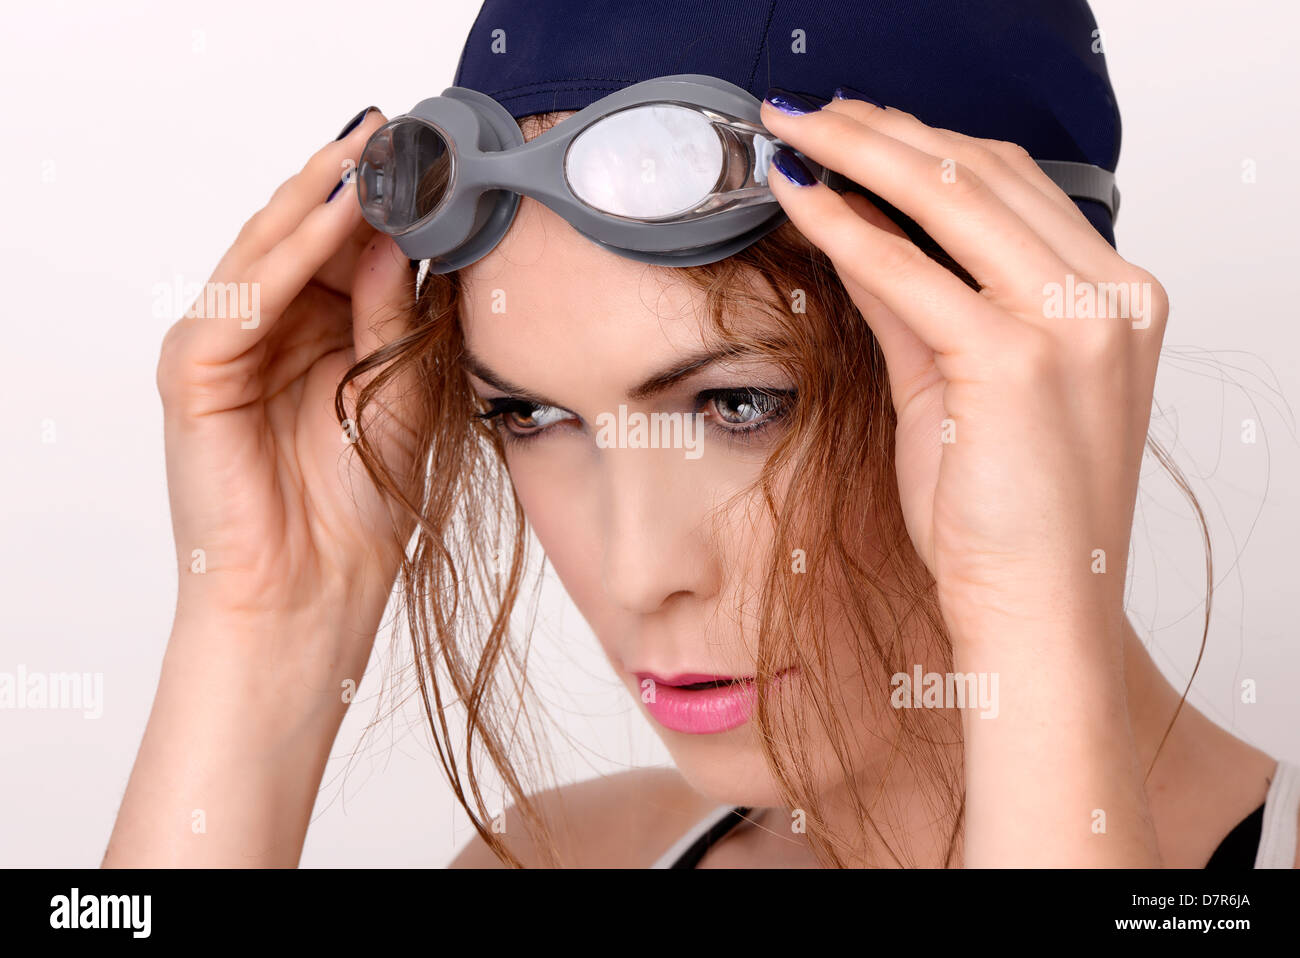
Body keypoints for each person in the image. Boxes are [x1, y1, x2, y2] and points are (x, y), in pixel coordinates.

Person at [103, 0, 1299, 868]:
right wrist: (263, 625)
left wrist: (1042, 620)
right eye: (530, 415)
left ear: (1034, 356)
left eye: (739, 406)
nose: (637, 572)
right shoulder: (565, 859)